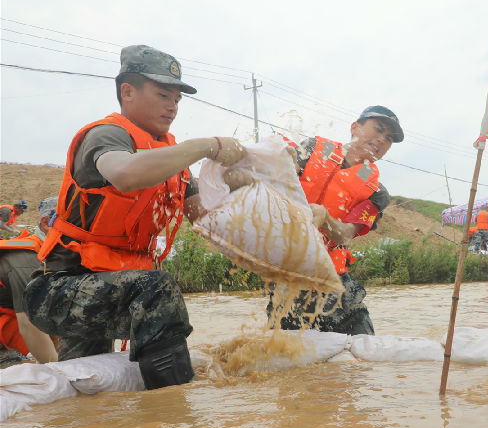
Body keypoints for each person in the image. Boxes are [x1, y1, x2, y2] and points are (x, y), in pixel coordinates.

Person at [23, 45, 245, 389]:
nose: (172, 106)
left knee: (85, 384)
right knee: (157, 289)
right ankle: (173, 413)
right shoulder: (106, 135)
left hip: (116, 290)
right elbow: (125, 173)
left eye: (177, 99)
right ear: (127, 91)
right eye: (162, 94)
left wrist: (246, 181)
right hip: (62, 290)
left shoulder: (171, 160)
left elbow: (209, 220)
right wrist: (205, 145)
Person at [269, 106, 403, 335]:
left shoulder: (377, 193)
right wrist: (281, 162)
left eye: (389, 139)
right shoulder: (313, 148)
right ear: (355, 127)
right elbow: (282, 176)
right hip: (288, 276)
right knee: (288, 357)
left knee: (364, 348)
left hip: (335, 279)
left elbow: (344, 233)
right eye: (379, 130)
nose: (382, 140)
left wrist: (325, 219)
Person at [0, 198, 58, 367]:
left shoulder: (49, 254)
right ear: (47, 223)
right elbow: (28, 324)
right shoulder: (28, 260)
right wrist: (58, 370)